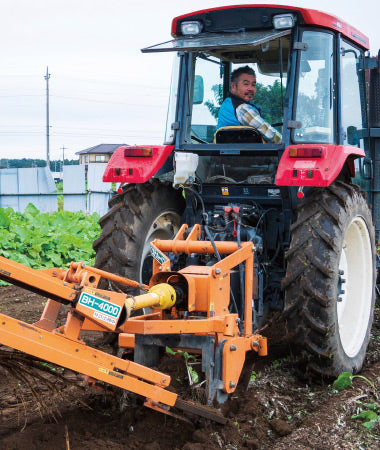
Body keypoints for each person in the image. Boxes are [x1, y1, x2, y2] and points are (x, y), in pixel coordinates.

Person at [217, 66, 282, 144]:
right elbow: (268, 132)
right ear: (233, 86)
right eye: (246, 84)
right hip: (246, 154)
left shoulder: (227, 104)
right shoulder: (242, 108)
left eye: (253, 85)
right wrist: (287, 142)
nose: (250, 88)